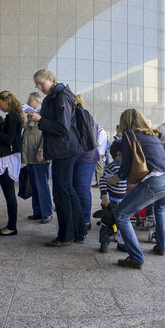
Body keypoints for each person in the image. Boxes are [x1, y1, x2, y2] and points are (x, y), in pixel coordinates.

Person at [106, 109, 165, 270]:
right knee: (160, 208)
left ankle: (136, 258)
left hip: (157, 181)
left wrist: (116, 179)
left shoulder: (129, 135)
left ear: (125, 121)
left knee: (121, 214)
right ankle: (161, 247)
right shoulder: (152, 135)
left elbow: (126, 165)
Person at [32, 69, 83, 247]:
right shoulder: (58, 95)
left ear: (51, 79)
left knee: (61, 192)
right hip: (65, 149)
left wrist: (39, 119)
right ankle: (78, 232)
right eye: (36, 85)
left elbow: (62, 127)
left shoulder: (60, 96)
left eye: (41, 83)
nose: (39, 87)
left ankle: (65, 236)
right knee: (67, 190)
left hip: (65, 149)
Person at [0, 91, 26, 236]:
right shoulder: (14, 115)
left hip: (8, 158)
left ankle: (12, 226)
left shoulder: (12, 116)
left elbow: (8, 139)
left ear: (7, 100)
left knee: (9, 193)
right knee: (8, 193)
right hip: (9, 157)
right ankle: (11, 225)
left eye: (0, 103)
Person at [21, 92, 53, 223]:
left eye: (30, 101)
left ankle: (47, 213)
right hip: (30, 156)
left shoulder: (43, 115)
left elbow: (46, 134)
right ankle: (38, 212)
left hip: (39, 156)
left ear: (37, 102)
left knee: (42, 185)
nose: (27, 103)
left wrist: (41, 150)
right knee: (34, 185)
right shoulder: (30, 116)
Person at [72, 95, 100, 238]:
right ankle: (80, 219)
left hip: (85, 157)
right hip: (81, 157)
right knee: (78, 189)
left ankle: (85, 220)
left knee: (82, 188)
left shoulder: (82, 117)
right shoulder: (84, 116)